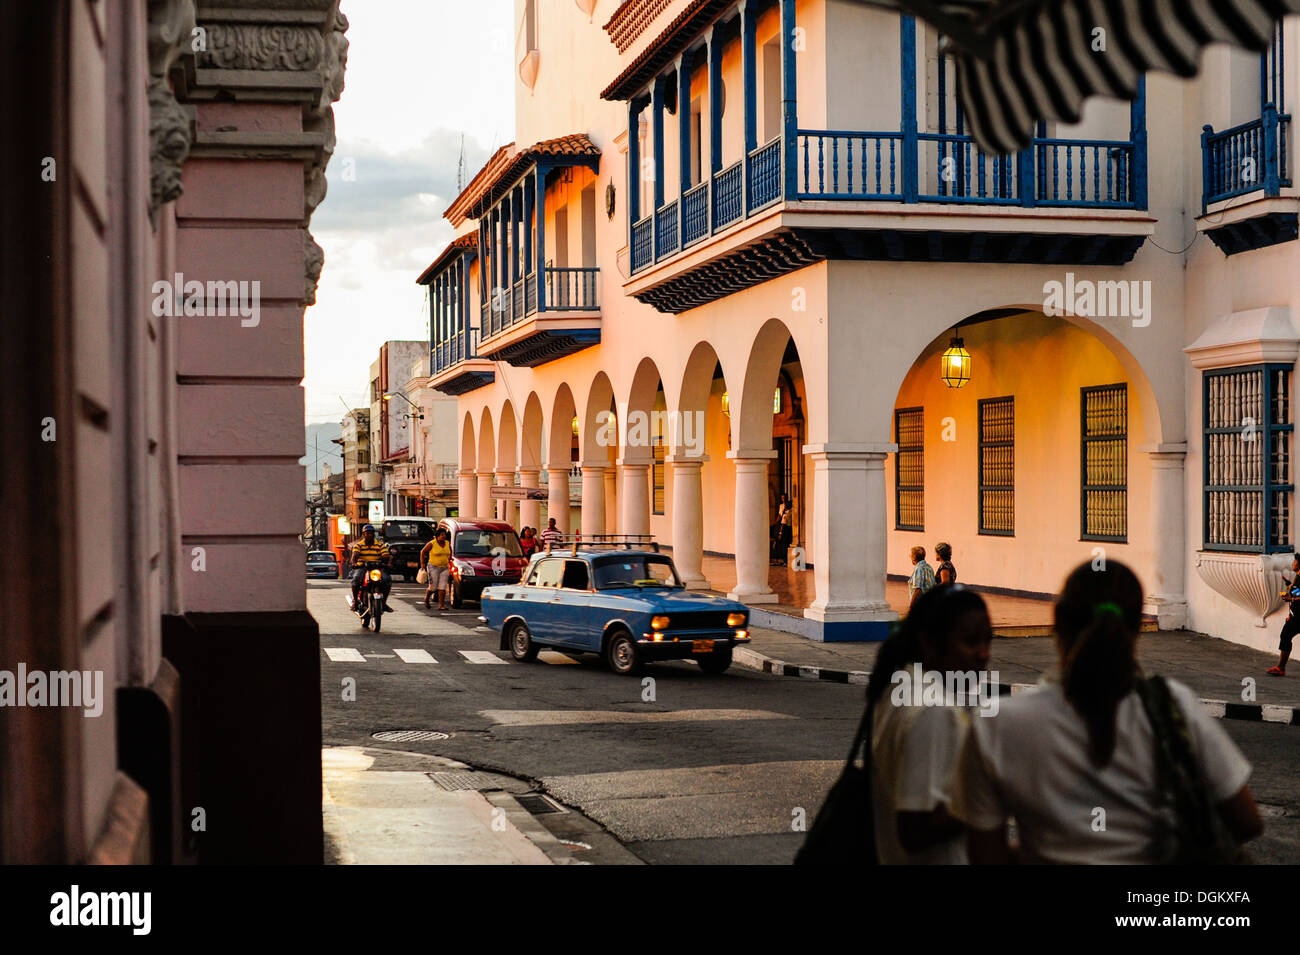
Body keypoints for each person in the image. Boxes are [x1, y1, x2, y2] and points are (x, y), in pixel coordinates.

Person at [952, 560, 1263, 864]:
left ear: (1057, 621)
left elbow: (985, 855)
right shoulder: (1173, 704)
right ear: (1135, 629)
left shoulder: (997, 723)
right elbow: (1247, 822)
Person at [869, 584, 994, 864]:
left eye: (988, 640)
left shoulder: (900, 687)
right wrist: (992, 793)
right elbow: (915, 829)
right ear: (930, 642)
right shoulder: (933, 709)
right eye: (972, 641)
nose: (984, 653)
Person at [1268, 553, 1300, 676]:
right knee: (1286, 636)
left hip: (1299, 618)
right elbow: (1296, 593)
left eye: (1295, 562)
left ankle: (1281, 668)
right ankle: (1281, 667)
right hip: (1295, 616)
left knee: (1286, 636)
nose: (1293, 564)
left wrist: (1291, 599)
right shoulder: (1297, 577)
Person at [349, 524, 392, 610]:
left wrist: (388, 562)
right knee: (356, 579)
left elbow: (386, 555)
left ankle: (383, 603)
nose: (369, 535)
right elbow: (355, 556)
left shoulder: (380, 545)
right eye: (367, 533)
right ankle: (355, 601)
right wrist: (354, 563)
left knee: (387, 580)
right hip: (362, 567)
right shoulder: (358, 545)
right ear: (363, 534)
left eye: (371, 533)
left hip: (377, 568)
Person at [420, 526, 452, 611]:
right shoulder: (432, 543)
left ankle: (441, 605)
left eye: (444, 535)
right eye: (441, 535)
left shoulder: (447, 543)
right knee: (433, 587)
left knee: (442, 587)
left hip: (444, 567)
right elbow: (423, 552)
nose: (443, 536)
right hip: (433, 567)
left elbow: (450, 552)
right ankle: (426, 599)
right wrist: (423, 563)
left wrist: (449, 559)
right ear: (437, 536)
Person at [772, 493, 793, 565]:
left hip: (789, 525)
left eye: (784, 498)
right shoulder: (781, 506)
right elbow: (780, 515)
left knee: (788, 541)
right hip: (783, 524)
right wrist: (775, 522)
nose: (783, 499)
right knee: (783, 542)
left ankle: (788, 559)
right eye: (782, 498)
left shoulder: (791, 505)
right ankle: (784, 559)